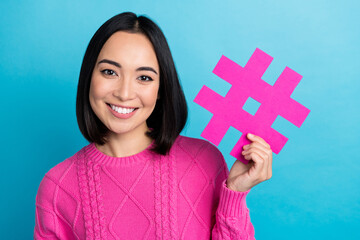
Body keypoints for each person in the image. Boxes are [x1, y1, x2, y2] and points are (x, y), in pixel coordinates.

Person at [34, 12, 273, 240]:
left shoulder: (204, 161)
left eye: (144, 78)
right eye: (109, 72)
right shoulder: (57, 186)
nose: (124, 93)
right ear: (89, 78)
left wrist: (235, 193)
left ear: (160, 90)